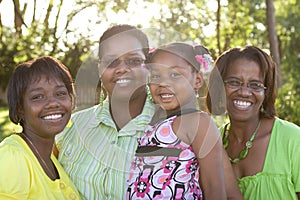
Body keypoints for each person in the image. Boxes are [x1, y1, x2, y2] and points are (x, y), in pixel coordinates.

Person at [54, 24, 155, 199]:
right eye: (111, 62)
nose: (122, 68)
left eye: (133, 60)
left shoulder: (178, 129)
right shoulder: (70, 127)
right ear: (100, 68)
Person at [126, 42, 227, 199]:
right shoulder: (153, 122)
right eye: (156, 76)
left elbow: (214, 187)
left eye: (175, 75)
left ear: (198, 81)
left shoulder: (197, 122)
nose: (163, 83)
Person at [206, 45, 300, 199]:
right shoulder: (212, 142)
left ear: (266, 92)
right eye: (234, 82)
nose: (244, 92)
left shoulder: (293, 140)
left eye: (255, 85)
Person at [0, 56, 80, 199]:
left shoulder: (52, 159)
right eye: (38, 97)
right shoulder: (11, 159)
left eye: (60, 93)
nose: (53, 103)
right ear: (20, 109)